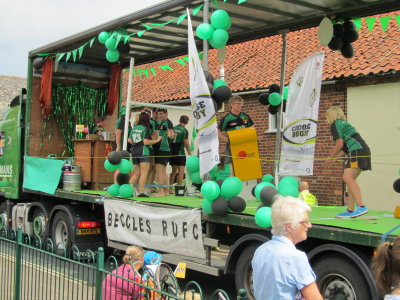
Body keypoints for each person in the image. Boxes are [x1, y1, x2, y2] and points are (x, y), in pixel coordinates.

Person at [252, 196, 323, 300]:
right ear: (289, 226)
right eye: (305, 222)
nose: (309, 225)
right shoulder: (295, 257)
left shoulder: (260, 250)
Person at [323, 106, 371, 218]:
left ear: (331, 115)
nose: (326, 118)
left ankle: (361, 206)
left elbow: (339, 144)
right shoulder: (344, 125)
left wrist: (330, 158)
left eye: (327, 115)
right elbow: (344, 149)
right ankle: (350, 210)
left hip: (357, 151)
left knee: (347, 178)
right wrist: (334, 159)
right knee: (350, 179)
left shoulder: (335, 125)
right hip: (361, 150)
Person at [128, 112, 162, 197]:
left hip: (134, 151)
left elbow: (129, 140)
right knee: (144, 173)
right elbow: (146, 142)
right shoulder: (145, 128)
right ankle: (141, 192)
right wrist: (157, 140)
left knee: (136, 173)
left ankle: (129, 190)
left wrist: (137, 143)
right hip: (143, 151)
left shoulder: (134, 128)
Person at [218, 95, 254, 168]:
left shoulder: (245, 116)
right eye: (238, 104)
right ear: (232, 105)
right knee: (232, 167)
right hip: (232, 146)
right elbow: (218, 131)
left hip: (245, 145)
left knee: (245, 167)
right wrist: (228, 140)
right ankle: (233, 178)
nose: (240, 106)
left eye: (241, 104)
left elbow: (252, 127)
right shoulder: (227, 118)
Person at [152, 108, 174, 197]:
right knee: (163, 171)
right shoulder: (160, 123)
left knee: (159, 171)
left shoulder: (168, 123)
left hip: (163, 150)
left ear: (166, 113)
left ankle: (161, 191)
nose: (159, 116)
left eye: (161, 114)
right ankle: (166, 191)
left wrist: (171, 136)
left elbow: (171, 136)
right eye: (158, 114)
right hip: (161, 150)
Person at [169, 115, 191, 194]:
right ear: (187, 122)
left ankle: (170, 189)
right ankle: (178, 191)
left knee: (173, 172)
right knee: (181, 172)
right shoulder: (184, 130)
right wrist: (190, 154)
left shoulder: (173, 128)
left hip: (172, 153)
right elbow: (187, 144)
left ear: (179, 120)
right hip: (180, 153)